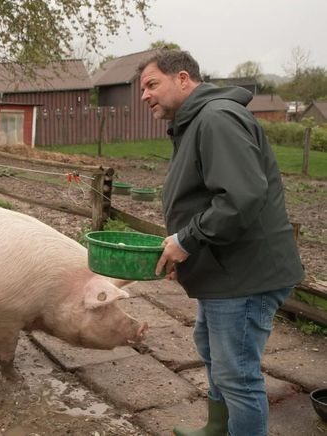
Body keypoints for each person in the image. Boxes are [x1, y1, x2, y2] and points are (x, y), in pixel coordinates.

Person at [139, 50, 304, 436]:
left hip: (246, 275)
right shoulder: (196, 121)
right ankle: (218, 428)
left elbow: (241, 196)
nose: (144, 96)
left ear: (183, 79)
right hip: (227, 268)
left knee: (237, 375)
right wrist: (187, 249)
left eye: (151, 85)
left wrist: (187, 240)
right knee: (213, 351)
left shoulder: (216, 119)